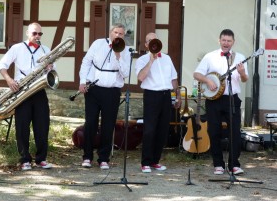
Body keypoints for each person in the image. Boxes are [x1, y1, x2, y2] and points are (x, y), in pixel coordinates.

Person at [0, 22, 53, 171]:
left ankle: (41, 159)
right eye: (34, 33)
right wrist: (9, 80)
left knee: (42, 125)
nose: (37, 36)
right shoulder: (17, 48)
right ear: (27, 33)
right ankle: (25, 159)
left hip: (38, 89)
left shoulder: (45, 50)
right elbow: (1, 65)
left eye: (40, 34)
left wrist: (49, 68)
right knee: (22, 126)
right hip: (21, 89)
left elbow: (51, 73)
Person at [193, 29, 248, 175]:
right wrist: (207, 81)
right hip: (214, 100)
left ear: (233, 42)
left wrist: (242, 73)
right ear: (219, 40)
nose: (226, 43)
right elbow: (197, 74)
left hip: (232, 99)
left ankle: (234, 165)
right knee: (214, 131)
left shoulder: (240, 57)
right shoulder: (210, 57)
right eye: (224, 40)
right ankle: (218, 164)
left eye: (229, 41)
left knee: (235, 132)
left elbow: (244, 79)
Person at [78, 23, 131, 169]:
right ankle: (87, 156)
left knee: (108, 125)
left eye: (121, 34)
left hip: (112, 91)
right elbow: (86, 62)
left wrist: (118, 55)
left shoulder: (125, 51)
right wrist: (82, 81)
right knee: (90, 123)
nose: (118, 36)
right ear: (110, 33)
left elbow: (126, 73)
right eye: (116, 32)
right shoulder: (98, 44)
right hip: (94, 89)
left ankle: (103, 159)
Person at [135, 32, 182, 173]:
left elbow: (173, 78)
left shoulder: (167, 58)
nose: (153, 43)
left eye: (155, 40)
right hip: (151, 95)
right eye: (150, 41)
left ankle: (155, 161)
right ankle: (145, 162)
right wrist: (151, 60)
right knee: (149, 130)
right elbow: (141, 78)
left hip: (166, 95)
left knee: (163, 130)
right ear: (146, 45)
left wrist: (177, 95)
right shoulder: (142, 60)